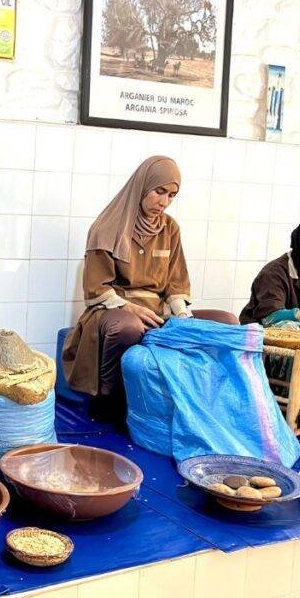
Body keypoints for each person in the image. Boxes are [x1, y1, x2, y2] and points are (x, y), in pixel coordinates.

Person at [61, 156, 238, 420]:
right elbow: (97, 289)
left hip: (157, 311)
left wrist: (183, 317)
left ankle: (208, 407)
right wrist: (131, 308)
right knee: (129, 327)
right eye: (159, 192)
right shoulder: (107, 227)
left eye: (172, 195)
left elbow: (176, 283)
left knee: (226, 321)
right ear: (142, 186)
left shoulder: (170, 228)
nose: (164, 202)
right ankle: (111, 404)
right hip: (111, 311)